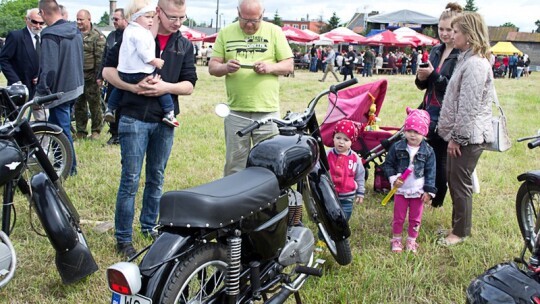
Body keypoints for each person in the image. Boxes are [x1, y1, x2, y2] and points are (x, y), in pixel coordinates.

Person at [102, 0, 197, 258]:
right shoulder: (132, 34)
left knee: (156, 177)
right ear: (158, 12)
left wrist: (165, 87)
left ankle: (148, 227)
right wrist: (132, 87)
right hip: (133, 116)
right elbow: (108, 71)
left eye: (182, 18)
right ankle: (123, 238)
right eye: (173, 17)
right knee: (130, 180)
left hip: (164, 121)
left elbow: (189, 84)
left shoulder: (183, 44)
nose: (178, 23)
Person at [208, 0, 293, 176]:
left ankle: (267, 203)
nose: (249, 25)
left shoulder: (274, 31)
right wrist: (225, 67)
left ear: (262, 15)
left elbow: (289, 65)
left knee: (269, 164)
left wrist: (270, 68)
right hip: (236, 112)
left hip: (267, 112)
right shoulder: (226, 32)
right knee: (235, 164)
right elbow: (212, 67)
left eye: (254, 20)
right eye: (244, 19)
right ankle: (233, 200)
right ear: (237, 13)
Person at [436, 12, 495, 246]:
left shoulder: (475, 65)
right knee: (455, 180)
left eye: (457, 31)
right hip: (464, 135)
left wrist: (457, 138)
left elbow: (468, 107)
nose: (452, 35)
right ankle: (457, 227)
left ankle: (460, 233)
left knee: (460, 184)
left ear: (469, 35)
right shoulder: (468, 60)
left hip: (468, 137)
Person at [415, 2, 462, 208]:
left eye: (449, 29)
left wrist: (433, 75)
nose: (443, 33)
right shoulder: (436, 50)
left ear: (457, 28)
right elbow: (422, 86)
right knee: (427, 154)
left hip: (445, 111)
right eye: (440, 28)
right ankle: (427, 193)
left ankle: (438, 200)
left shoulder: (461, 54)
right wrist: (421, 76)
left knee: (440, 158)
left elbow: (452, 89)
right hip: (428, 109)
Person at [103, 0, 179, 128]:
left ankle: (110, 108)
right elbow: (144, 53)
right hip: (140, 72)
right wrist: (155, 61)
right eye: (148, 17)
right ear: (136, 17)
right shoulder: (140, 33)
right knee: (160, 87)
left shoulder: (129, 30)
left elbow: (149, 36)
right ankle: (169, 112)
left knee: (119, 89)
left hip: (124, 72)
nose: (151, 20)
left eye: (152, 17)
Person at [37, 0, 84, 176]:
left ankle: (68, 168)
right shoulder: (75, 30)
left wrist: (41, 93)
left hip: (59, 92)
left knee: (61, 132)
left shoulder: (50, 34)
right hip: (76, 87)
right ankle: (64, 163)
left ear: (43, 12)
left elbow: (49, 69)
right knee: (62, 129)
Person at [383, 108, 436, 253]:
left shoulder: (429, 151)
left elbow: (431, 172)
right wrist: (393, 179)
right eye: (409, 130)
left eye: (417, 132)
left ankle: (412, 240)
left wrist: (429, 191)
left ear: (424, 133)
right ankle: (397, 240)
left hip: (417, 191)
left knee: (415, 219)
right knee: (398, 217)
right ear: (404, 130)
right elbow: (388, 164)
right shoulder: (397, 147)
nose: (412, 135)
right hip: (400, 190)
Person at [0, 8, 46, 120]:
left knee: (43, 119)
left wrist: (40, 76)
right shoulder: (16, 36)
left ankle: (44, 137)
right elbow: (4, 59)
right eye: (34, 22)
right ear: (26, 20)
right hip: (20, 88)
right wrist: (16, 81)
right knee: (16, 120)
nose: (38, 26)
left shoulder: (45, 38)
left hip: (38, 88)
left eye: (41, 23)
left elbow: (44, 60)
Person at [97, 8, 129, 145]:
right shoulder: (111, 36)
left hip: (127, 78)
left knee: (125, 106)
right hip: (112, 78)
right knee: (111, 105)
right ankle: (114, 133)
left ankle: (124, 135)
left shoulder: (132, 35)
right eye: (113, 19)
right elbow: (105, 57)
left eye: (116, 19)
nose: (114, 22)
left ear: (125, 19)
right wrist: (100, 75)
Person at [74, 9, 106, 140]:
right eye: (77, 19)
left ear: (89, 19)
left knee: (94, 104)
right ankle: (81, 131)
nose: (79, 22)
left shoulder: (97, 35)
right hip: (77, 75)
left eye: (81, 19)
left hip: (92, 75)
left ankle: (96, 130)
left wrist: (99, 76)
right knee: (78, 104)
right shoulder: (74, 33)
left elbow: (100, 58)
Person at [327, 120, 365, 221]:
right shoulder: (327, 155)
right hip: (329, 193)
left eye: (346, 139)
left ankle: (341, 235)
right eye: (338, 137)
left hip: (347, 196)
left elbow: (360, 176)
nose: (341, 142)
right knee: (328, 216)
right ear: (333, 138)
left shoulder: (355, 158)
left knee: (344, 218)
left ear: (352, 142)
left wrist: (360, 192)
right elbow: (318, 168)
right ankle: (324, 234)